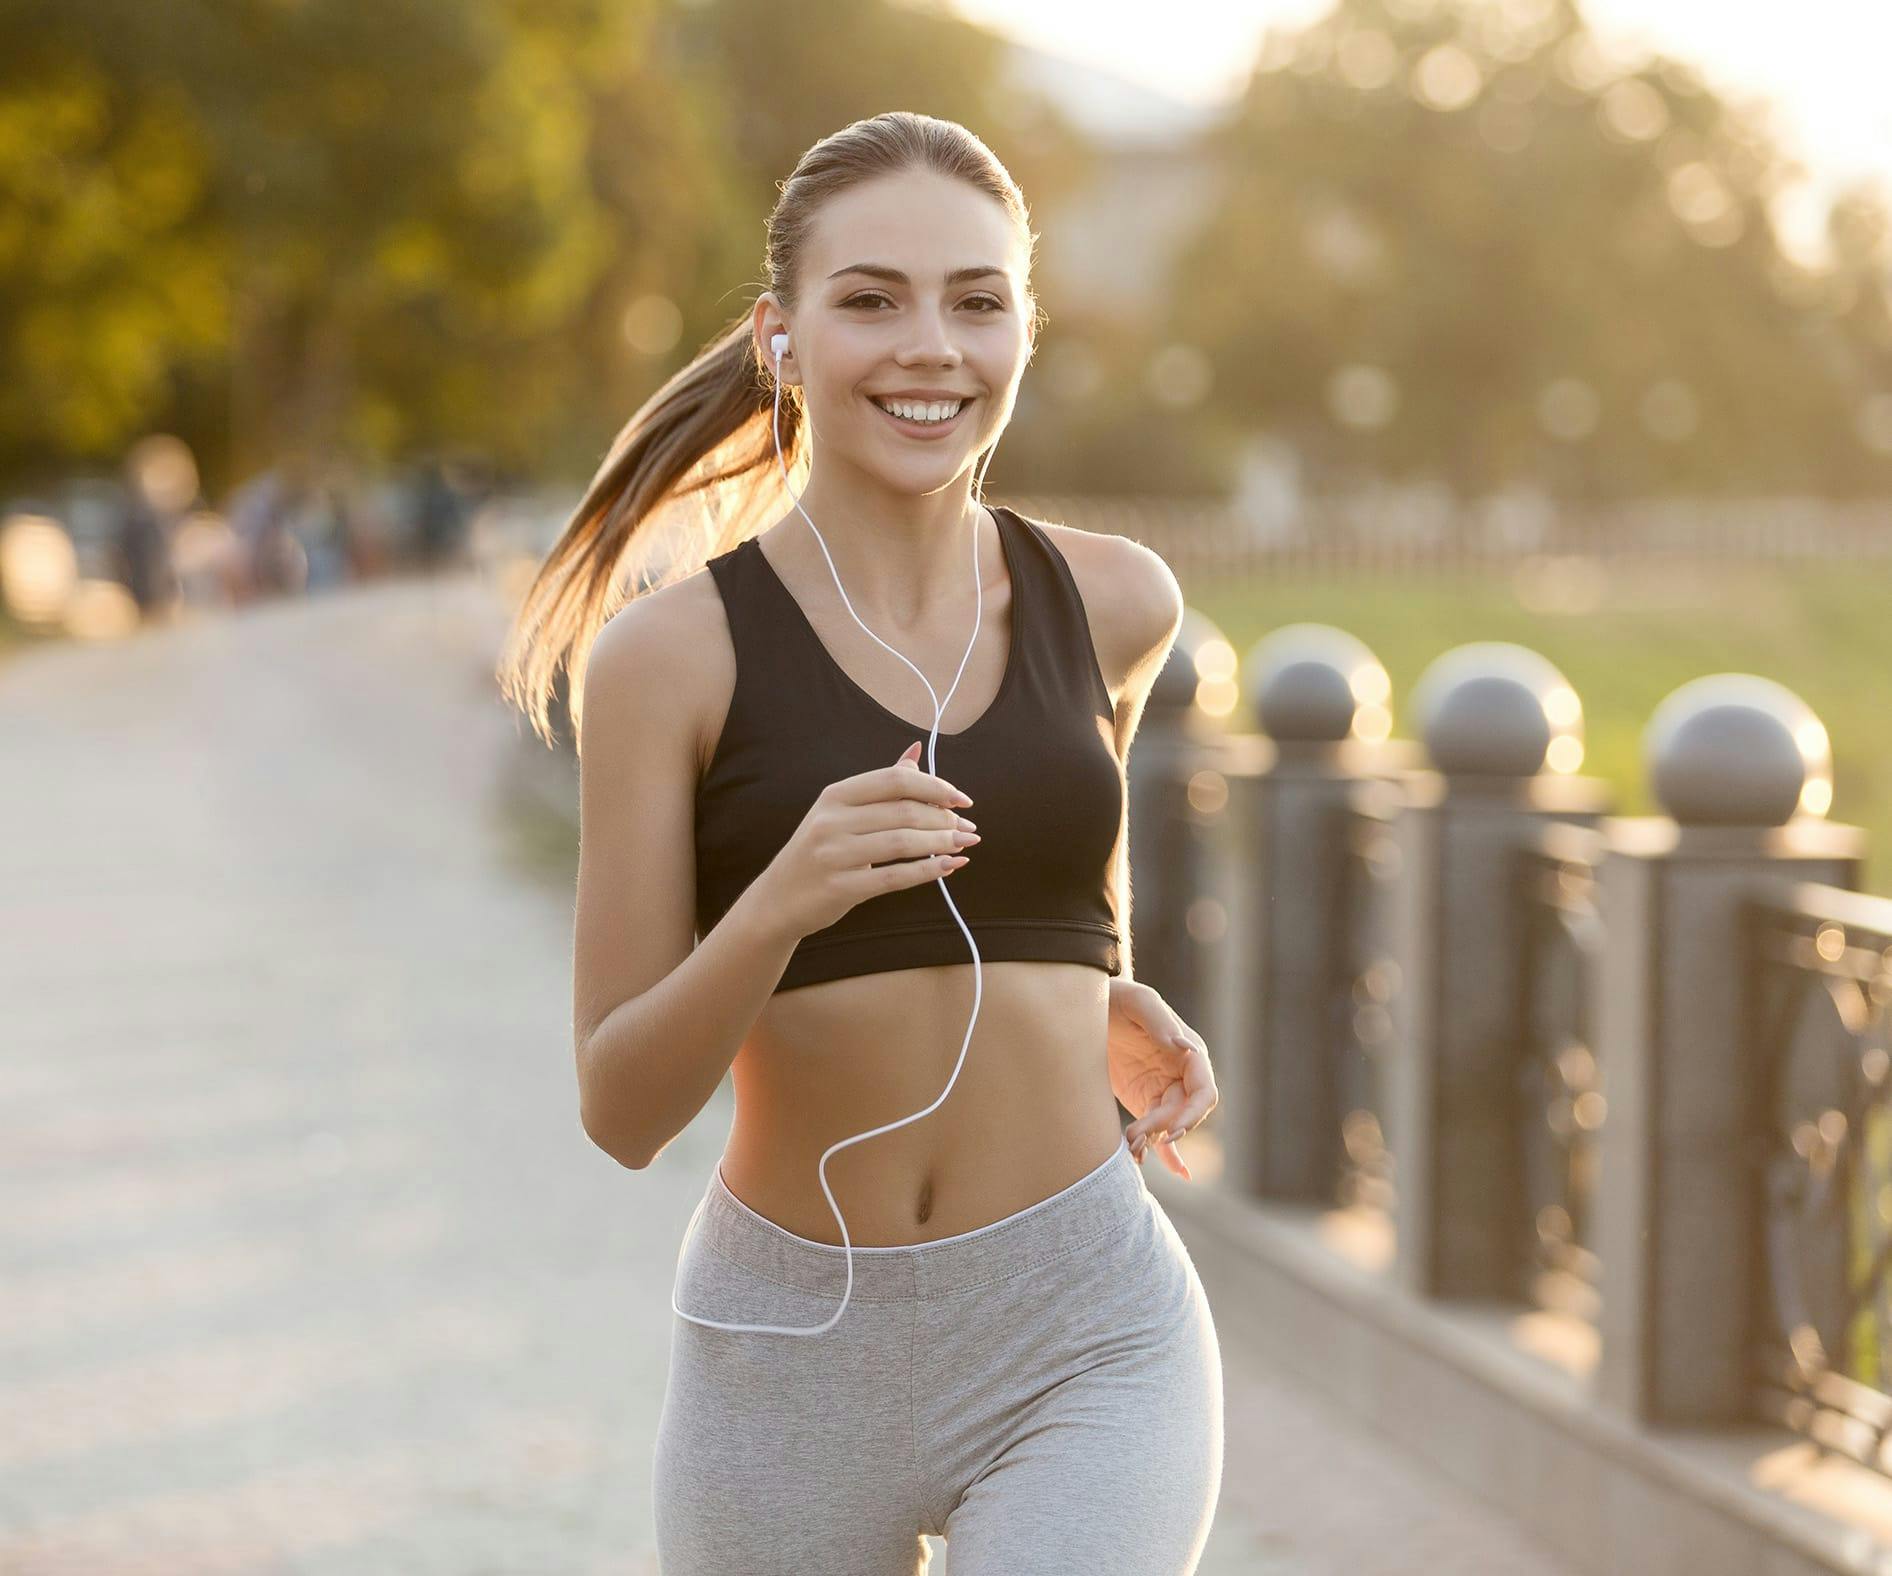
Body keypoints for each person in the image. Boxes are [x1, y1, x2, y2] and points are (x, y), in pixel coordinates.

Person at [496, 111, 1223, 1575]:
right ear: (782, 336)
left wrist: (1105, 1001)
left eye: (977, 299)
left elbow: (1080, 882)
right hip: (790, 1351)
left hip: (1086, 1324)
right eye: (871, 298)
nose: (930, 347)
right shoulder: (669, 659)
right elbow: (622, 1109)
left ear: (1026, 328)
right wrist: (778, 906)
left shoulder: (1120, 604)